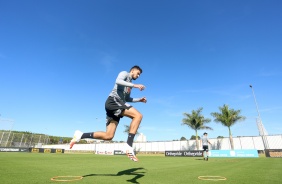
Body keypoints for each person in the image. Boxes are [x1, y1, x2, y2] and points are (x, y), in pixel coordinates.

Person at [69, 65, 146, 162]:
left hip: (116, 106)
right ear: (132, 71)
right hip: (113, 101)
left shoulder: (129, 85)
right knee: (138, 115)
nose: (138, 76)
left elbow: (127, 99)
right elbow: (118, 81)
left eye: (139, 75)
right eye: (138, 73)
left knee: (108, 136)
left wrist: (139, 100)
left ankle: (80, 135)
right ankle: (129, 145)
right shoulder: (125, 74)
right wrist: (135, 85)